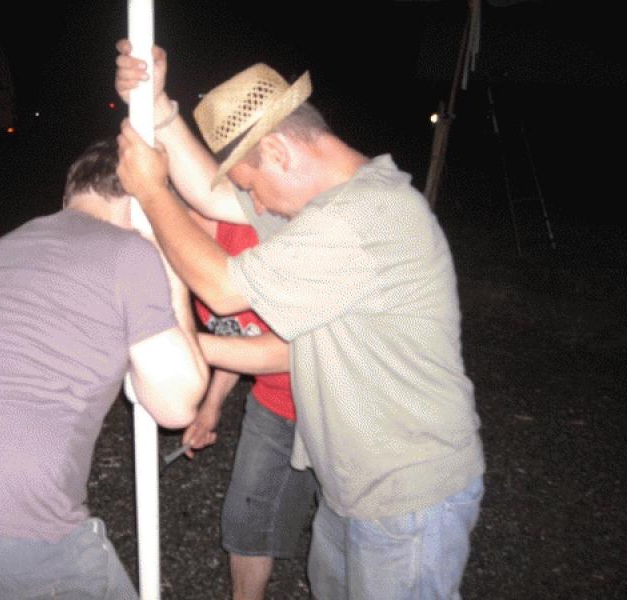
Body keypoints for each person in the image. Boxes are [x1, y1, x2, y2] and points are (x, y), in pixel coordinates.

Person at [115, 42, 485, 600]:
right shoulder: (328, 206)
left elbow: (221, 289)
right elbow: (212, 199)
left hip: (407, 496)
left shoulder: (361, 218)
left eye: (253, 187)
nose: (256, 207)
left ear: (279, 151)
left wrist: (149, 190)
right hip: (354, 487)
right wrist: (160, 110)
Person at [0, 138, 208, 600]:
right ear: (141, 197)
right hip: (9, 528)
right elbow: (177, 405)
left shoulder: (8, 244)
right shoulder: (128, 251)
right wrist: (169, 256)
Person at [182, 213, 318, 600]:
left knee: (346, 549)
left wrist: (181, 344)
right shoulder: (183, 254)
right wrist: (211, 405)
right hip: (273, 404)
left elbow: (293, 349)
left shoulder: (257, 238)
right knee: (245, 524)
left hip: (337, 410)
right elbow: (239, 334)